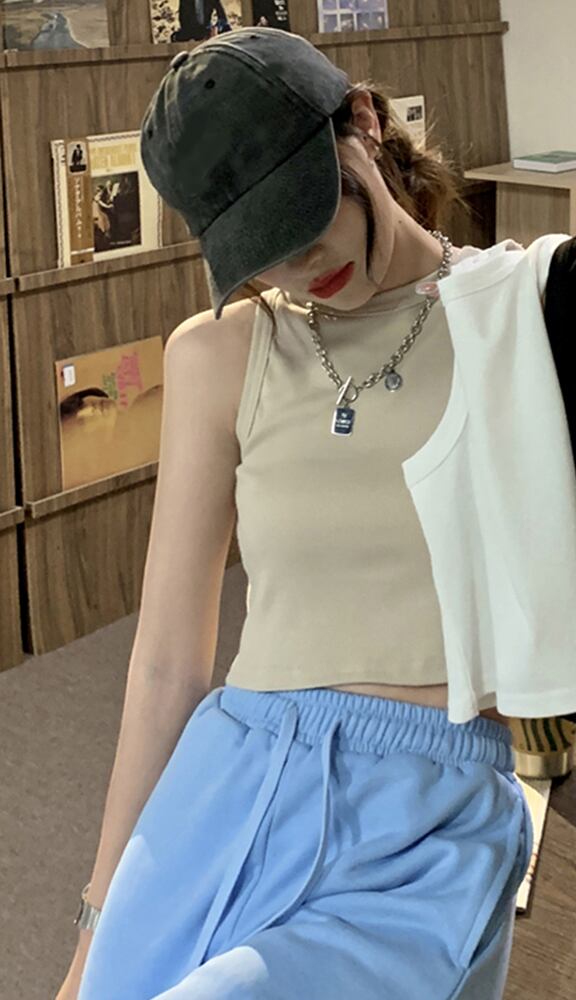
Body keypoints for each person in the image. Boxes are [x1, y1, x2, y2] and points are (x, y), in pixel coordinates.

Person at [56, 27, 534, 1000]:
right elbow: (165, 665)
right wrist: (94, 927)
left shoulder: (515, 311)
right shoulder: (217, 355)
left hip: (423, 822)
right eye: (257, 245)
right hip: (228, 783)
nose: (296, 261)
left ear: (362, 122)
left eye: (303, 213)